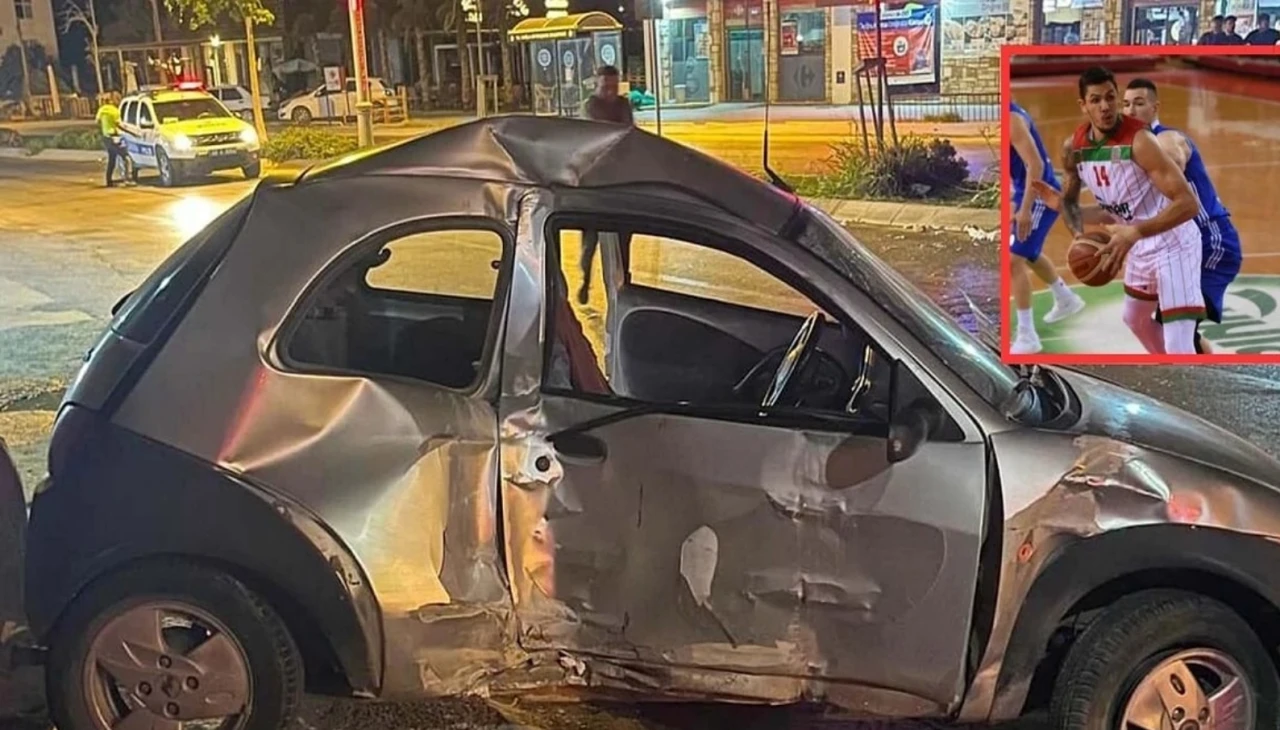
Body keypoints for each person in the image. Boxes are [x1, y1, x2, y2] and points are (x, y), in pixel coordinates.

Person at [1058, 66, 1203, 355]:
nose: (1105, 106)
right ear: (1083, 105)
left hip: (1174, 242)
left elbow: (1188, 204)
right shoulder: (1074, 148)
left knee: (1178, 342)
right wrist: (1078, 236)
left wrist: (1134, 232)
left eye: (1110, 97)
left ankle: (1180, 371)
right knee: (1134, 319)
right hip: (1136, 242)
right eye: (1096, 100)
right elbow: (1069, 201)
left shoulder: (1140, 141)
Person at [1124, 78, 1242, 355]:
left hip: (1211, 240)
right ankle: (1200, 370)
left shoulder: (1166, 137)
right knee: (1164, 326)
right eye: (1126, 105)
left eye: (1139, 103)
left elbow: (1174, 154)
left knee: (1174, 326)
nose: (1130, 111)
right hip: (1175, 245)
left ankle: (1187, 372)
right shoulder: (1132, 150)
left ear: (1155, 108)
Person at [1007, 100, 1086, 355]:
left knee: (1013, 260)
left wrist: (1025, 209)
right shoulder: (1009, 114)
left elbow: (1036, 165)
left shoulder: (1011, 119)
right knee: (1028, 253)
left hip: (1039, 194)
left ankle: (1027, 336)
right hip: (1026, 191)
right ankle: (1066, 298)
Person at [577, 65, 635, 305]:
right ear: (597, 84)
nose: (610, 91)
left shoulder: (623, 105)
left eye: (614, 86)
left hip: (620, 183)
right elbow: (596, 136)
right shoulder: (590, 106)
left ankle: (623, 283)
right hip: (595, 184)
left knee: (623, 238)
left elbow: (629, 132)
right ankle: (585, 277)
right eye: (605, 86)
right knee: (590, 239)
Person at [94, 101, 131, 188]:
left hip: (106, 137)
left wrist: (103, 129)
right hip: (115, 137)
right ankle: (127, 179)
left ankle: (109, 181)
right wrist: (129, 131)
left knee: (112, 159)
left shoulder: (102, 110)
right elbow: (118, 124)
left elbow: (97, 122)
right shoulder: (115, 111)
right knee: (126, 158)